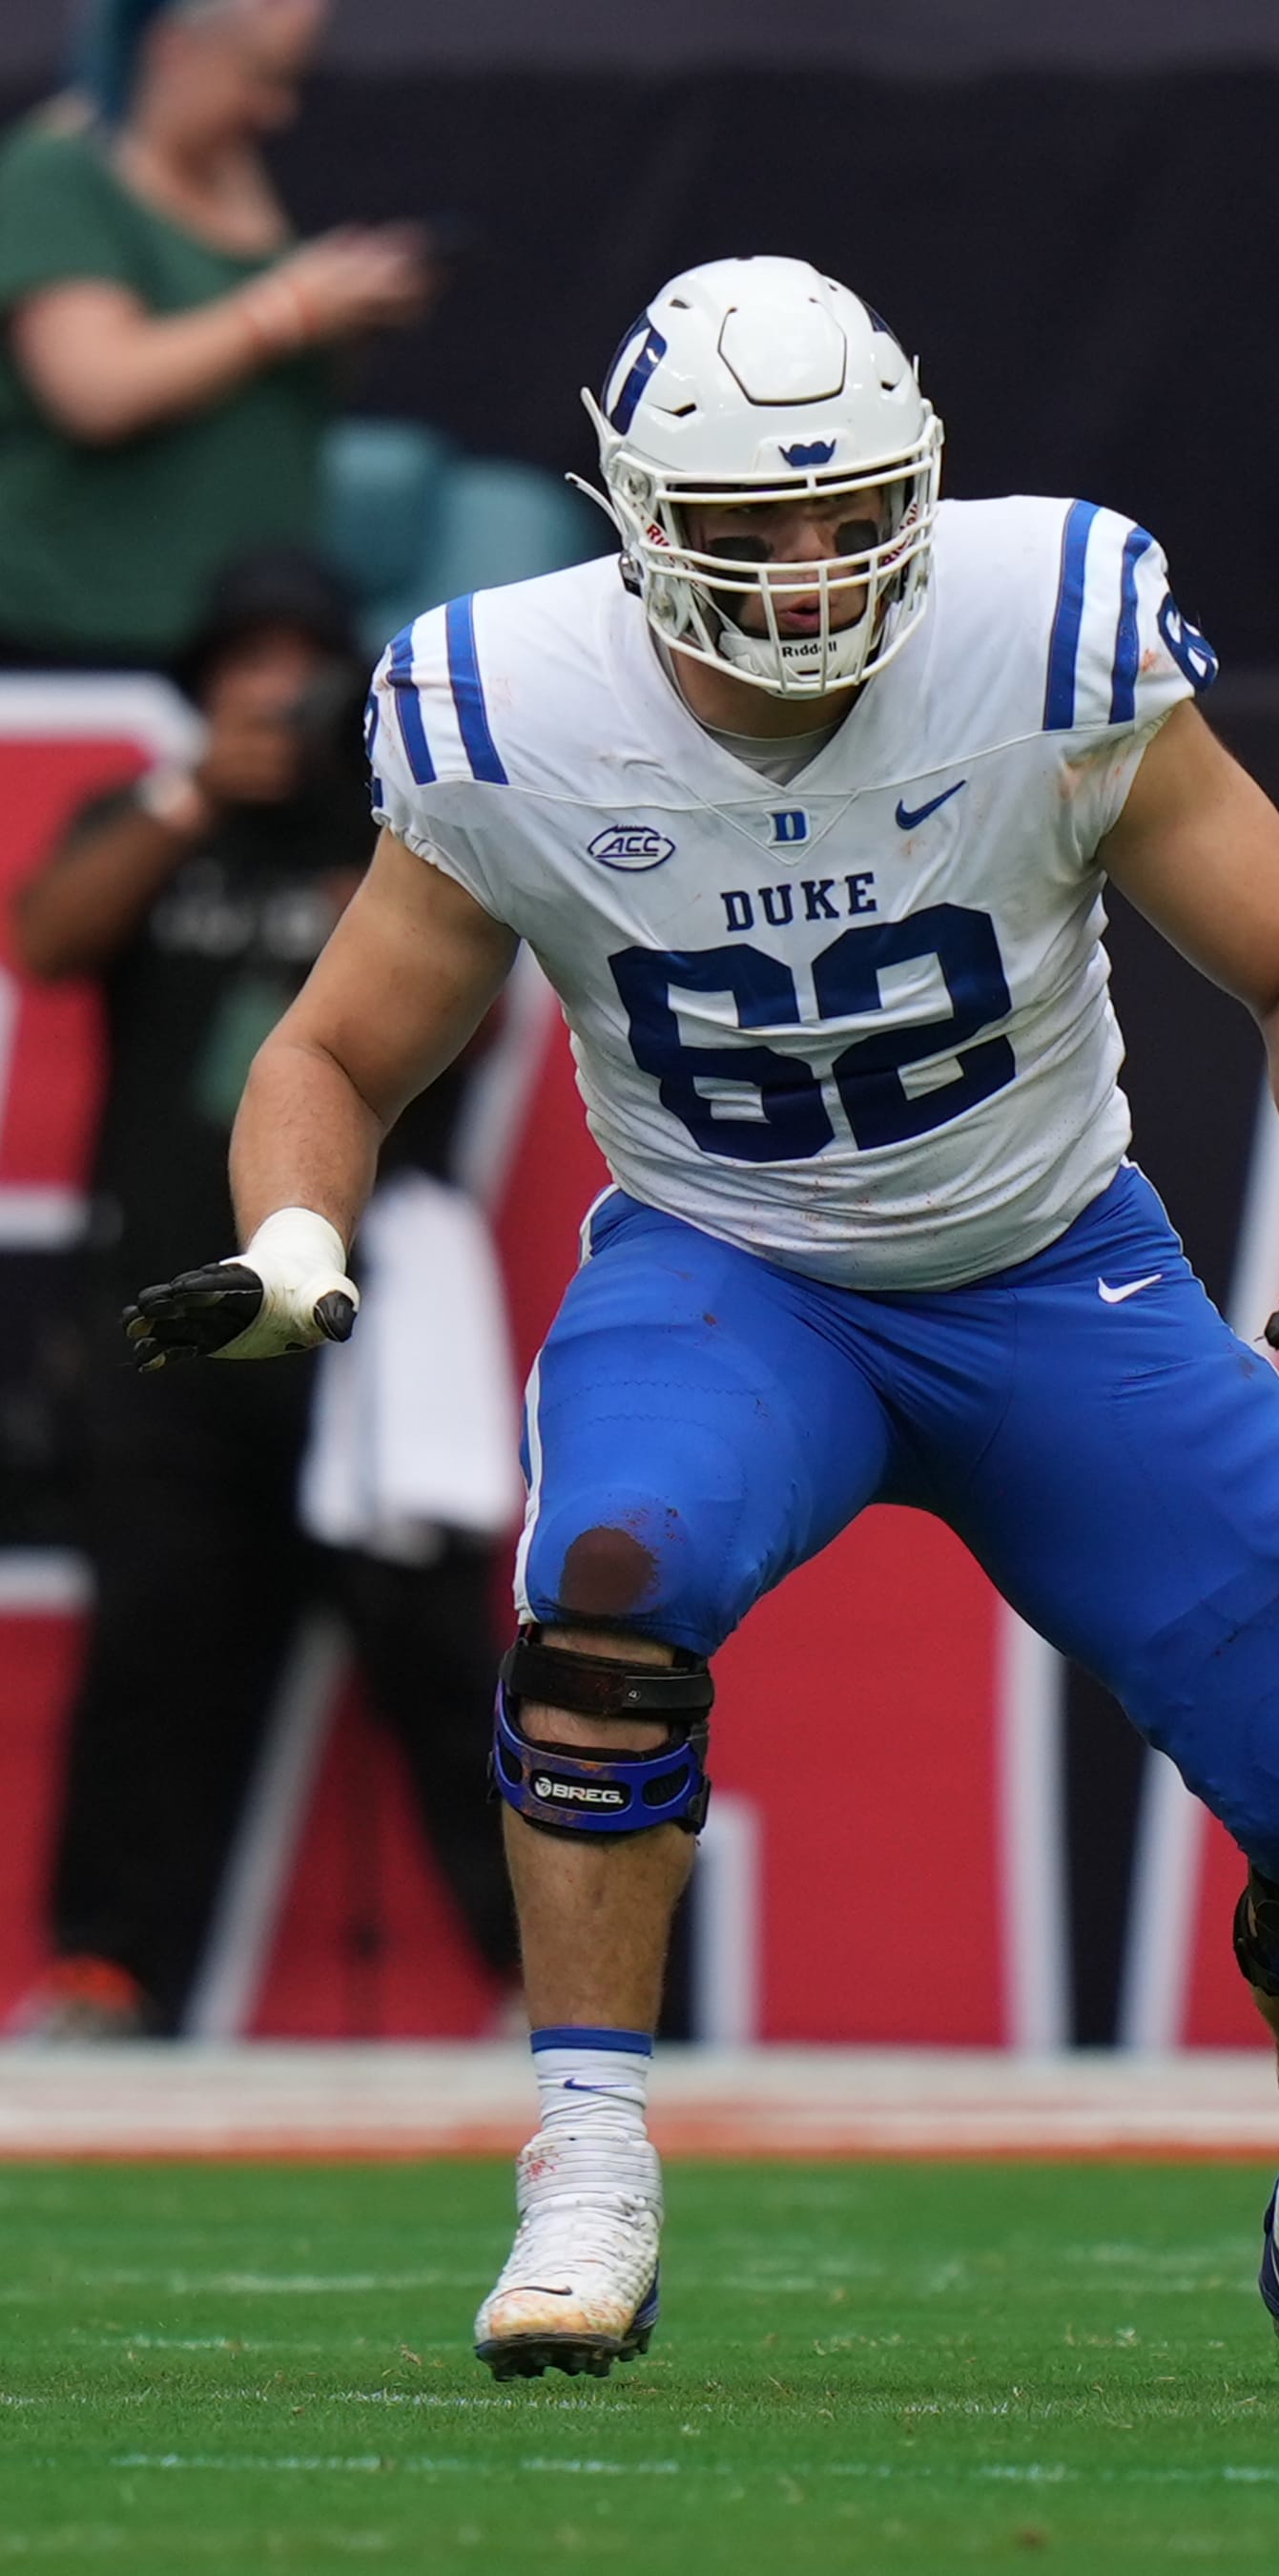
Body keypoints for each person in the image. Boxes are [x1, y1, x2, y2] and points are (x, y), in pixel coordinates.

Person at [127, 255, 1279, 2394]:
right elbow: (335, 1049)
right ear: (637, 519)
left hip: (1056, 1271)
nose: (810, 569)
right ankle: (588, 2165)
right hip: (733, 1269)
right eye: (753, 524)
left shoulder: (1041, 626)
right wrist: (292, 1241)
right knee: (609, 1589)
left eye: (849, 510)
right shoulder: (516, 700)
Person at [11, 548, 516, 2036]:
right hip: (175, 1322)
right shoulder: (153, 822)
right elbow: (46, 938)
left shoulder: (400, 837)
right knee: (154, 1651)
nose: (272, 694)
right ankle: (107, 1973)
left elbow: (475, 1019)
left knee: (441, 1660)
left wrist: (358, 826)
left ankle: (547, 1982)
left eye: (299, 667)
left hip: (368, 1327)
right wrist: (192, 796)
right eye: (246, 666)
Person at [0, 0, 430, 669]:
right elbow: (95, 391)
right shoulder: (57, 173)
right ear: (174, 48)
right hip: (84, 639)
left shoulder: (231, 170)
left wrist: (345, 315)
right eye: (260, 76)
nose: (277, 110)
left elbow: (266, 385)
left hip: (234, 637)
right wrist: (293, 307)